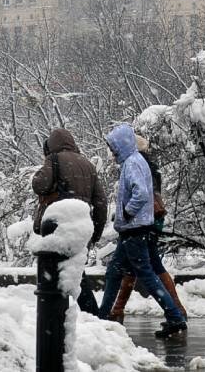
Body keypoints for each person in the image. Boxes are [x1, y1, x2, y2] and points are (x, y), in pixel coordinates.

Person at [96, 123, 187, 339]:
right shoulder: (133, 162)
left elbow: (141, 193)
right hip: (134, 230)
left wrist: (127, 213)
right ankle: (103, 316)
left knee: (146, 274)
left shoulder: (133, 163)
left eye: (114, 147)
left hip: (134, 230)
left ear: (122, 144)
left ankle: (174, 316)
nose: (112, 151)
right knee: (114, 272)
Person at [32, 128, 108, 315]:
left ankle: (81, 317)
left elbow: (39, 185)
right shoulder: (88, 165)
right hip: (81, 227)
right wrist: (95, 233)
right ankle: (87, 316)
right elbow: (101, 202)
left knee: (59, 275)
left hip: (60, 226)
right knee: (73, 272)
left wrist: (43, 167)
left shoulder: (54, 159)